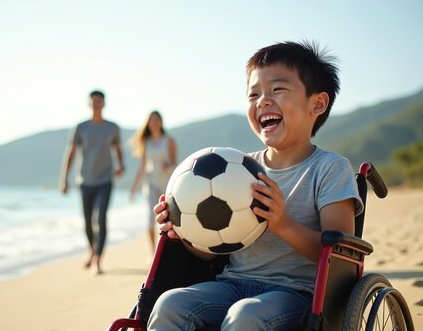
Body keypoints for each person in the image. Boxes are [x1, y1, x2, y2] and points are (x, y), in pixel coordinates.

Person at [148, 41, 364, 330]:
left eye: (277, 89)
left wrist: (283, 223)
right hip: (231, 285)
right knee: (169, 305)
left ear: (317, 104)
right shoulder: (238, 167)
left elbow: (341, 255)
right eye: (253, 94)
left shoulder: (329, 169)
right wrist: (183, 232)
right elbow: (213, 250)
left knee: (245, 315)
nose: (262, 101)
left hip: (297, 295)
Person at [60, 89, 125, 275]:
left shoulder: (112, 127)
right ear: (89, 103)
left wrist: (121, 165)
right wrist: (64, 179)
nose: (96, 103)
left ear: (104, 103)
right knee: (88, 222)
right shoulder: (81, 127)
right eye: (93, 101)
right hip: (85, 181)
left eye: (99, 101)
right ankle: (91, 249)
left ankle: (97, 259)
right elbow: (71, 153)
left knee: (101, 218)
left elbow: (118, 149)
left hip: (105, 180)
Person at [129, 111, 177, 254]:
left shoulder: (169, 140)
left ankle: (168, 252)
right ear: (148, 123)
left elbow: (176, 162)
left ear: (161, 122)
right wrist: (134, 188)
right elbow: (142, 166)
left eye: (157, 119)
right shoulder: (146, 142)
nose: (155, 122)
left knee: (169, 219)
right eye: (152, 120)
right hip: (151, 184)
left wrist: (169, 166)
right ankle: (153, 254)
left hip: (167, 185)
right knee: (151, 219)